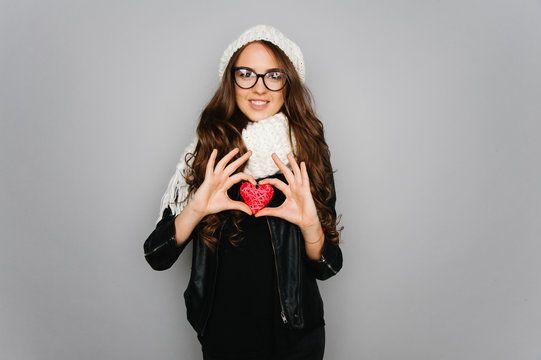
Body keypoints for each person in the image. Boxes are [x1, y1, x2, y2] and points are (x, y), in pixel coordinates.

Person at [143, 24, 343, 360]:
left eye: (274, 75)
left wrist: (311, 229)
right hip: (224, 339)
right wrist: (195, 208)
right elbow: (156, 256)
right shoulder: (208, 152)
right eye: (247, 73)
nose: (259, 87)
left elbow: (328, 267)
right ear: (231, 79)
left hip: (297, 339)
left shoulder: (307, 153)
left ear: (288, 84)